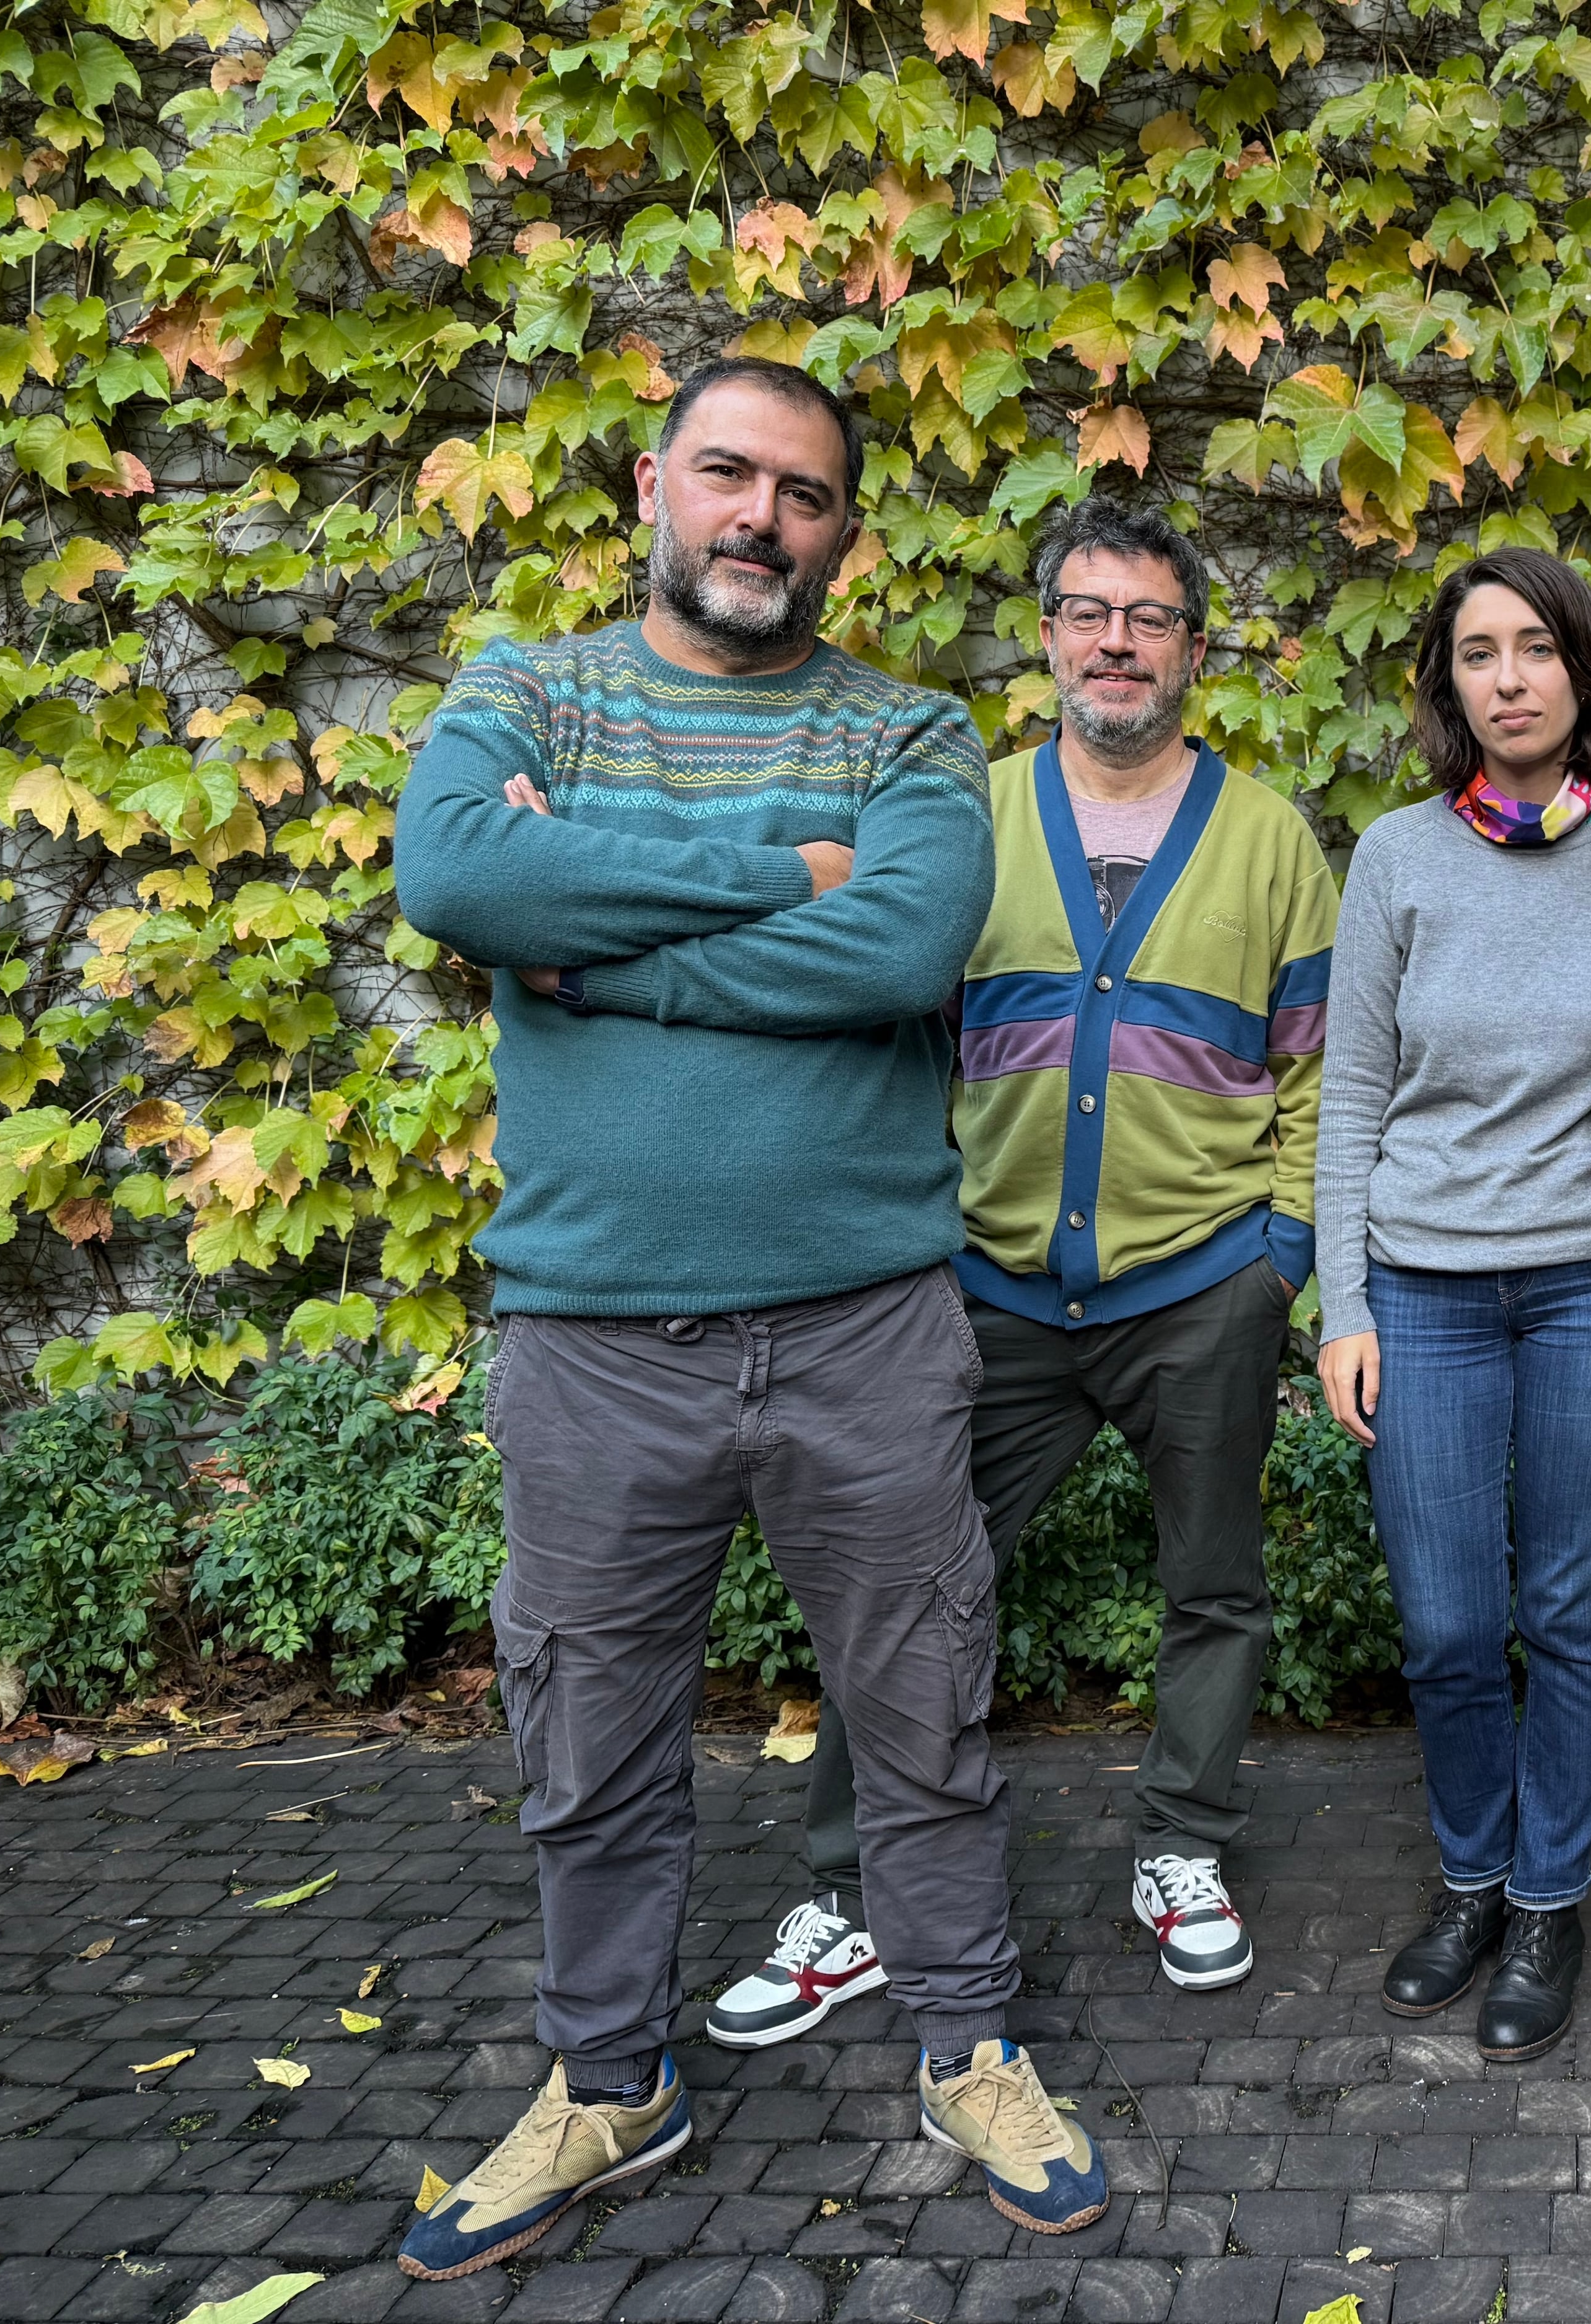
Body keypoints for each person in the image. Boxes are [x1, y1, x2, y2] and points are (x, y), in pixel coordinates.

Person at [389, 359, 1103, 2281]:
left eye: (802, 493)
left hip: (867, 1321)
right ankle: (610, 2076)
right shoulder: (527, 689)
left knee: (926, 1701)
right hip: (595, 1335)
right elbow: (456, 868)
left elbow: (898, 941)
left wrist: (590, 950)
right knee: (591, 1730)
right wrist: (763, 881)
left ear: (843, 531)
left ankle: (966, 2039)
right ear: (654, 481)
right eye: (728, 474)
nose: (759, 519)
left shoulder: (909, 730)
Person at [728, 497, 1336, 2014]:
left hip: (1203, 1288)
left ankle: (1182, 1845)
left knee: (1216, 1587)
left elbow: (1323, 1068)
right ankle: (853, 1891)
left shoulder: (1268, 839)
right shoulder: (965, 818)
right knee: (913, 1591)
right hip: (989, 1287)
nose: (1116, 643)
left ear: (1192, 648)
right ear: (1047, 635)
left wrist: (1283, 1253)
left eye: (1148, 618)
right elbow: (886, 1034)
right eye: (1088, 612)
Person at [1313, 548, 1591, 2062]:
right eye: (1479, 653)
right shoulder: (1397, 858)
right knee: (1451, 1618)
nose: (1511, 677)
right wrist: (1344, 1303)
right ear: (1448, 685)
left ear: (1585, 676)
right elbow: (1349, 1093)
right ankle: (1468, 1878)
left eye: (1537, 647)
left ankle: (1548, 1896)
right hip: (1424, 1287)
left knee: (1568, 1610)